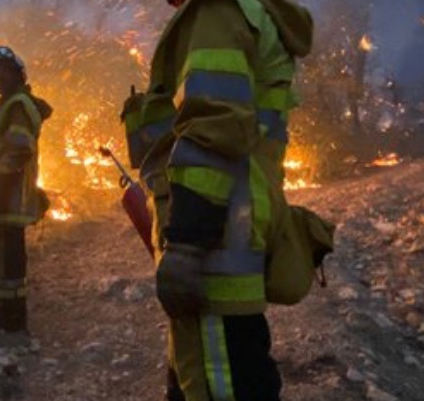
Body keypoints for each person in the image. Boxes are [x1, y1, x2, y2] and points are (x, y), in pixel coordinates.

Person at [121, 0, 315, 399]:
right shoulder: (243, 13)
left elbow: (214, 132)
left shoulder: (216, 13)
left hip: (214, 249)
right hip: (228, 241)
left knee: (216, 384)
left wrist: (187, 245)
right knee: (220, 376)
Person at [0, 45, 52, 333]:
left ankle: (12, 320)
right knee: (0, 252)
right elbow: (4, 151)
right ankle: (4, 312)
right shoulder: (10, 105)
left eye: (5, 72)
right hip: (3, 191)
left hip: (11, 194)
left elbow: (19, 149)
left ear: (19, 75)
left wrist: (1, 182)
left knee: (10, 259)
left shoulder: (18, 105)